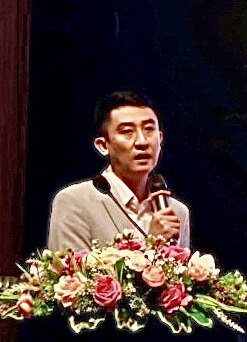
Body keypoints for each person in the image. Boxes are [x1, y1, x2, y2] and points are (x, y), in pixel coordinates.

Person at [47, 91, 190, 251]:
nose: (142, 141)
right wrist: (151, 245)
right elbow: (69, 267)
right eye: (127, 131)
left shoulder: (176, 212)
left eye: (149, 129)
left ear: (161, 138)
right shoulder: (75, 202)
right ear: (103, 145)